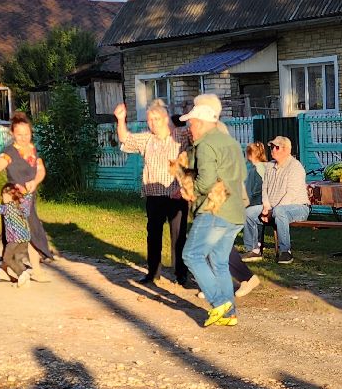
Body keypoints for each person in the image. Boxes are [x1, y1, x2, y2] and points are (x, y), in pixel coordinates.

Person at [181, 94, 249, 327]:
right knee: (219, 262)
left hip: (214, 209)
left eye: (190, 124)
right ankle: (229, 315)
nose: (189, 128)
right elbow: (244, 175)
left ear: (199, 123)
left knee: (191, 255)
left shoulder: (206, 145)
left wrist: (190, 190)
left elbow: (206, 182)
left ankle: (219, 303)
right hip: (235, 211)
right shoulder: (231, 142)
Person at [113, 100, 193, 285]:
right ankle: (153, 272)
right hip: (154, 194)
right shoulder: (147, 139)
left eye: (156, 119)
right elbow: (125, 139)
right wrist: (120, 119)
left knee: (179, 235)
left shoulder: (180, 135)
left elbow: (197, 135)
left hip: (177, 194)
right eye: (149, 120)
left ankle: (181, 274)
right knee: (153, 234)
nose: (152, 123)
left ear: (165, 119)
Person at [0, 115, 57, 278]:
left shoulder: (33, 150)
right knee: (19, 233)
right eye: (20, 134)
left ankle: (9, 267)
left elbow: (41, 170)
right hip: (13, 200)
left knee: (29, 231)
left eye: (27, 134)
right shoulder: (9, 153)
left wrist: (35, 181)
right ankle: (15, 267)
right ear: (12, 133)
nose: (24, 138)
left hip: (29, 199)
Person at [259, 135, 310, 265]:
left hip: (298, 207)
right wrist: (266, 206)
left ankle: (285, 252)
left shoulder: (295, 167)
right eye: (271, 147)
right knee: (251, 213)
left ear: (287, 150)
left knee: (280, 211)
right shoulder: (270, 166)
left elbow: (290, 194)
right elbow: (264, 188)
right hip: (273, 208)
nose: (273, 150)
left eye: (277, 147)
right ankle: (254, 249)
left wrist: (272, 211)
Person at [0, 184, 36, 285]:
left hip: (14, 240)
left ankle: (22, 274)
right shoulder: (21, 206)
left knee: (7, 258)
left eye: (3, 195)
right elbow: (28, 202)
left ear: (10, 196)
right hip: (25, 238)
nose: (2, 198)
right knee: (18, 258)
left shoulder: (6, 208)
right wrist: (28, 192)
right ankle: (24, 275)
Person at [242, 140, 270, 256]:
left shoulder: (256, 169)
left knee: (249, 215)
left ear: (250, 155)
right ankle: (257, 243)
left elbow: (259, 186)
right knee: (257, 221)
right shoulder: (265, 166)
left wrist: (250, 198)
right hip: (261, 202)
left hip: (258, 201)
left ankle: (252, 246)